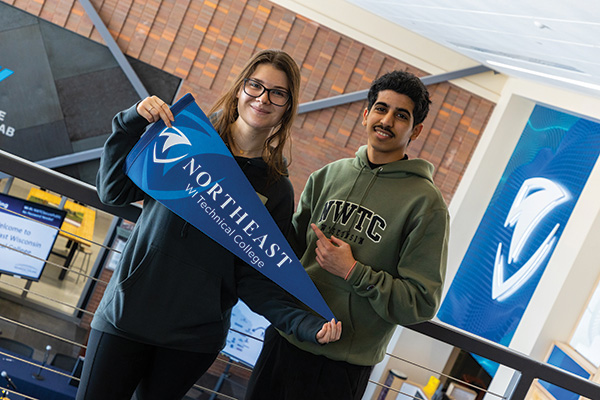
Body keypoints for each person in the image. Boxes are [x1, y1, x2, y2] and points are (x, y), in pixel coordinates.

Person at [77, 49, 341, 400]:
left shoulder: (276, 188)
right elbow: (112, 190)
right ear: (239, 90)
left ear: (287, 107)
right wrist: (130, 122)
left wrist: (306, 324)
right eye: (255, 86)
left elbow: (254, 276)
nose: (263, 98)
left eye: (277, 93)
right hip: (127, 314)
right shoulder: (185, 137)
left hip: (192, 340)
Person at [246, 70, 450, 400]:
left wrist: (354, 272)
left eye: (402, 115)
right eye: (381, 109)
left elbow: (421, 303)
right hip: (286, 340)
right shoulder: (327, 176)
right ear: (366, 114)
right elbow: (287, 255)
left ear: (416, 130)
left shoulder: (427, 205)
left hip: (341, 366)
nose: (387, 121)